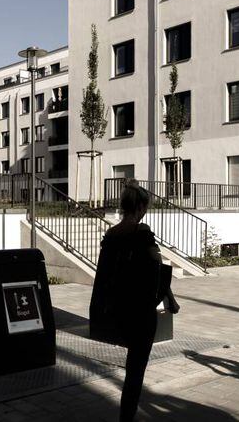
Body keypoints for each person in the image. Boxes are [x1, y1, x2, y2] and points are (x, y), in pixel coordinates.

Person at [89, 180, 179, 421]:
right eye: (145, 207)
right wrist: (169, 299)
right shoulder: (142, 233)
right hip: (141, 310)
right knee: (136, 369)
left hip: (118, 308)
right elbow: (157, 269)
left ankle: (126, 414)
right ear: (139, 207)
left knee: (132, 363)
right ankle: (127, 416)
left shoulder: (111, 235)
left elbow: (103, 274)